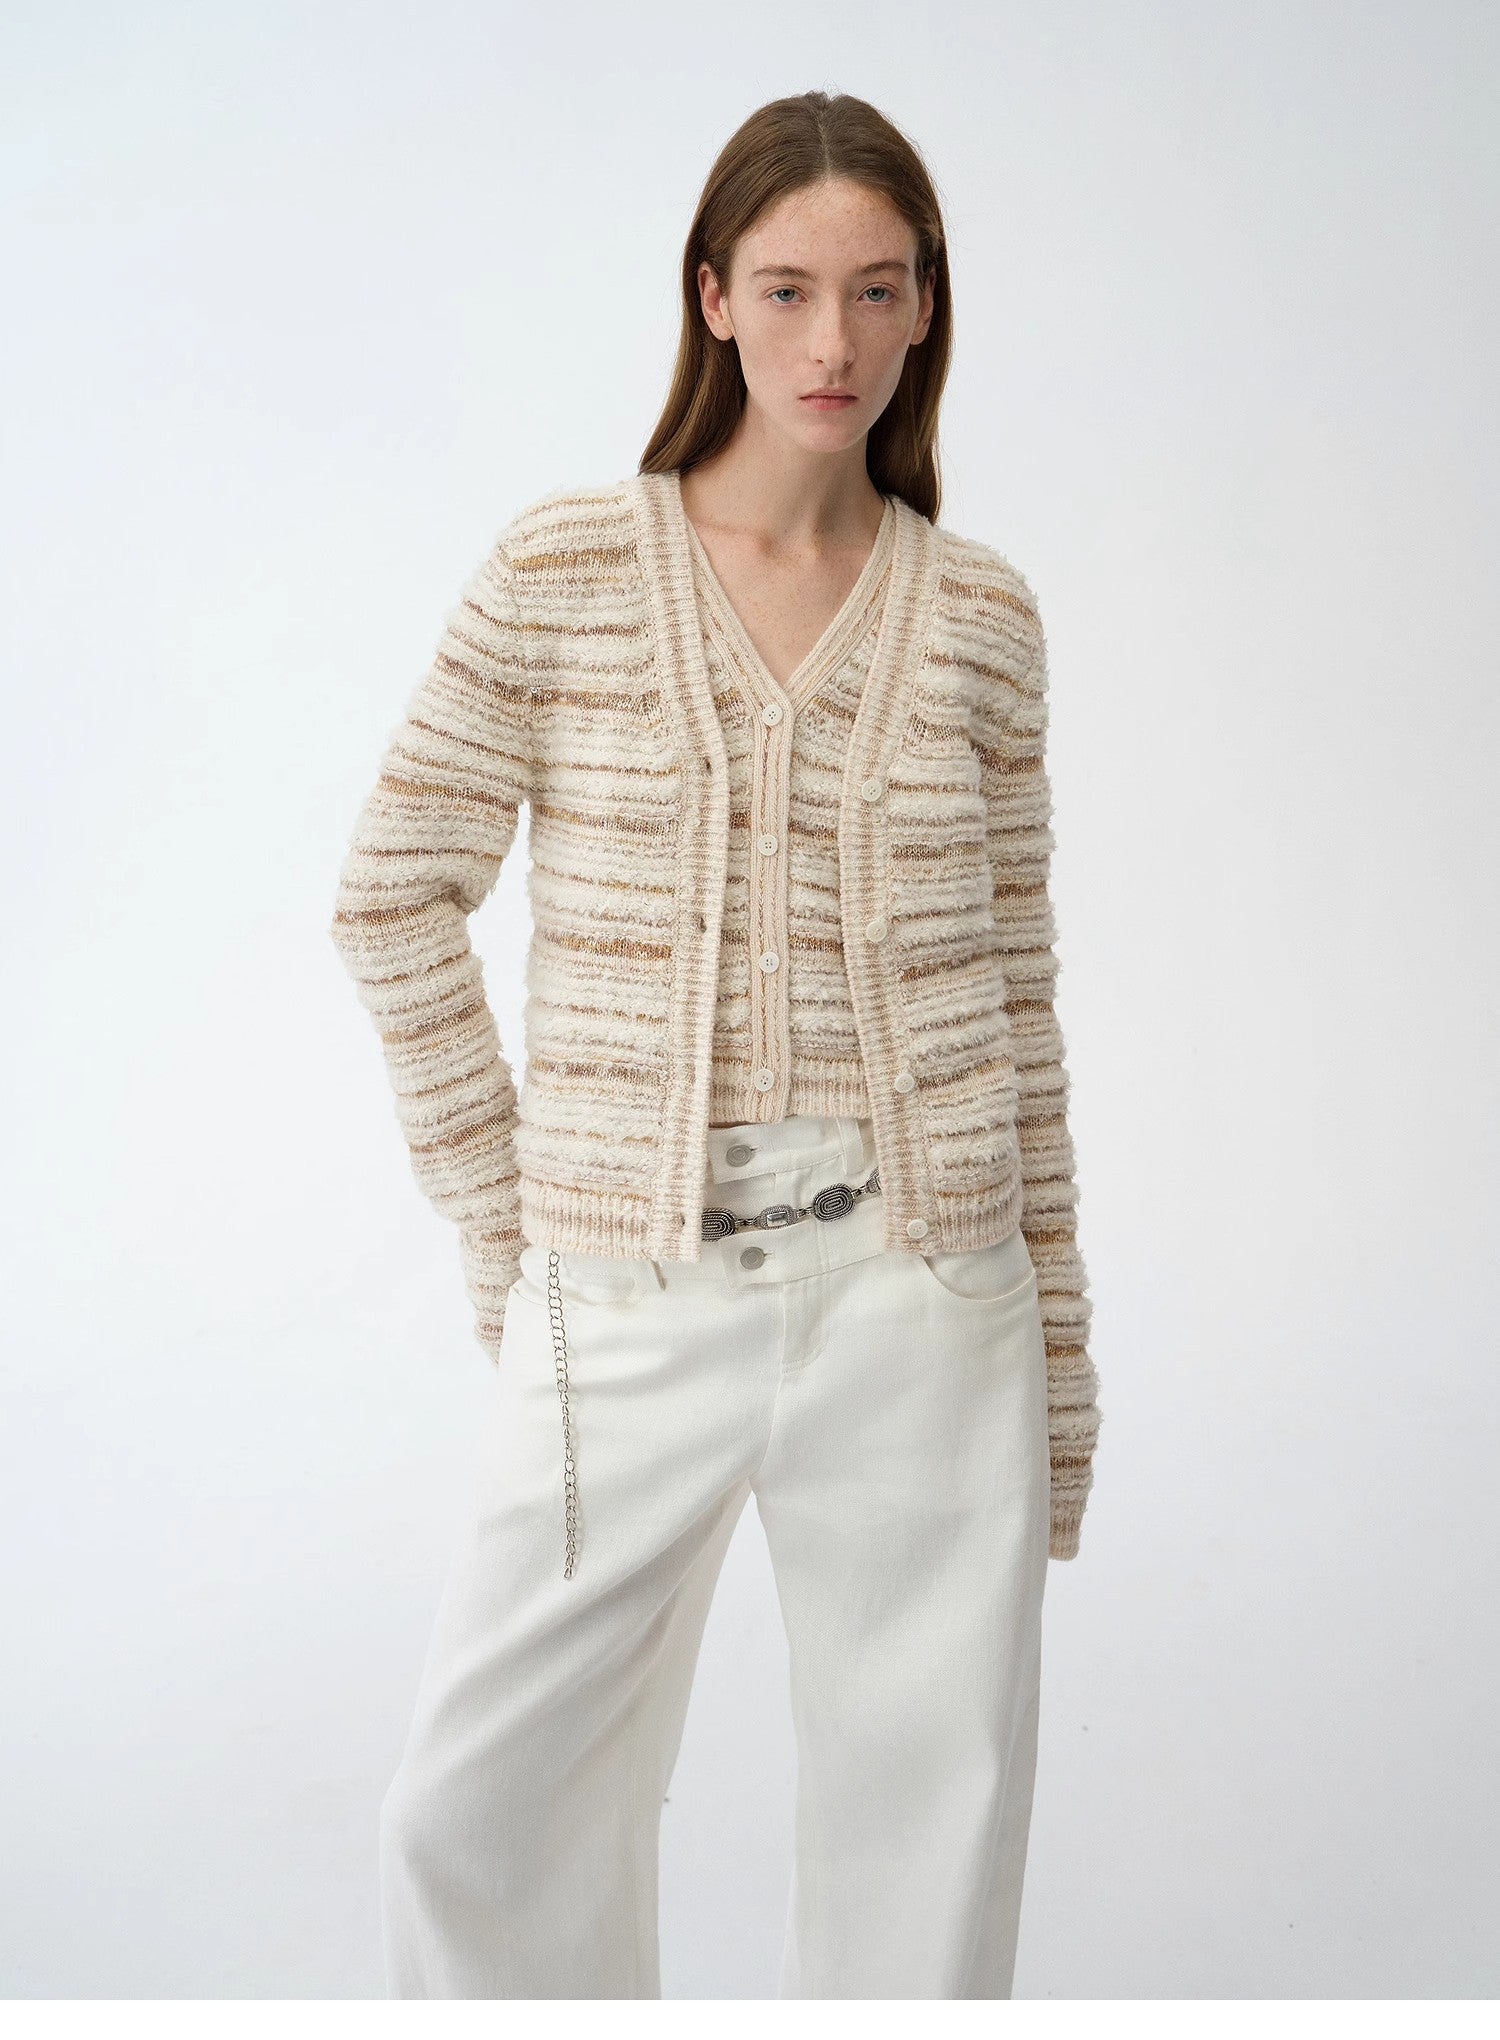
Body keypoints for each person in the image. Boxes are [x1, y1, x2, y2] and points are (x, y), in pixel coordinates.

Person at [329, 88, 1102, 2001]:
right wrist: (513, 1232)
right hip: (626, 1291)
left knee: (930, 1839)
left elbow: (1022, 997)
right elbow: (392, 896)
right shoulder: (565, 574)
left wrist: (1060, 1362)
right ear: (712, 298)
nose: (832, 340)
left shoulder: (982, 617)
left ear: (926, 309)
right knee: (474, 1819)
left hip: (929, 1293)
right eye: (787, 288)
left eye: (877, 289)